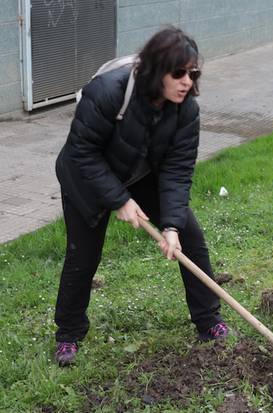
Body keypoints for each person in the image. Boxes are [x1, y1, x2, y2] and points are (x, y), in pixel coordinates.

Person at [53, 27, 228, 366]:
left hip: (138, 172)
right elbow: (81, 152)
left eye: (193, 74)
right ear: (155, 69)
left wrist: (172, 225)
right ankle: (68, 335)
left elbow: (177, 171)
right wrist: (119, 200)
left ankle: (209, 322)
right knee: (83, 257)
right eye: (178, 73)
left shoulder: (185, 110)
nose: (187, 82)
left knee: (190, 238)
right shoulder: (108, 91)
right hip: (86, 176)